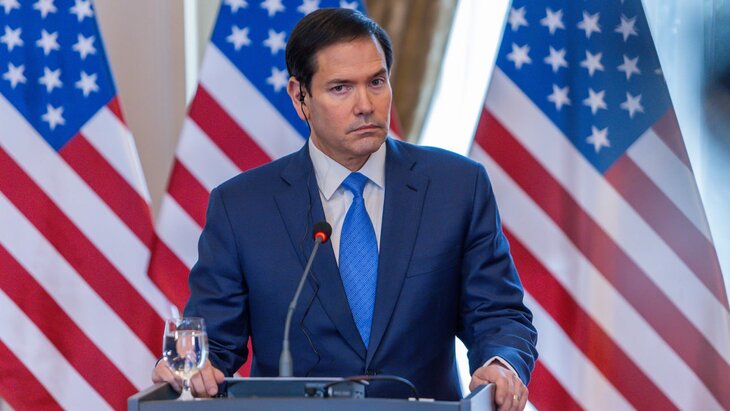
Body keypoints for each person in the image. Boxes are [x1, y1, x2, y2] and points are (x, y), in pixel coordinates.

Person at [153, 7, 537, 410]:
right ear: (300, 97)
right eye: (341, 88)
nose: (365, 104)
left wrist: (501, 364)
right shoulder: (242, 207)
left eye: (376, 82)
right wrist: (190, 368)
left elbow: (497, 313)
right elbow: (213, 344)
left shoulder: (456, 187)